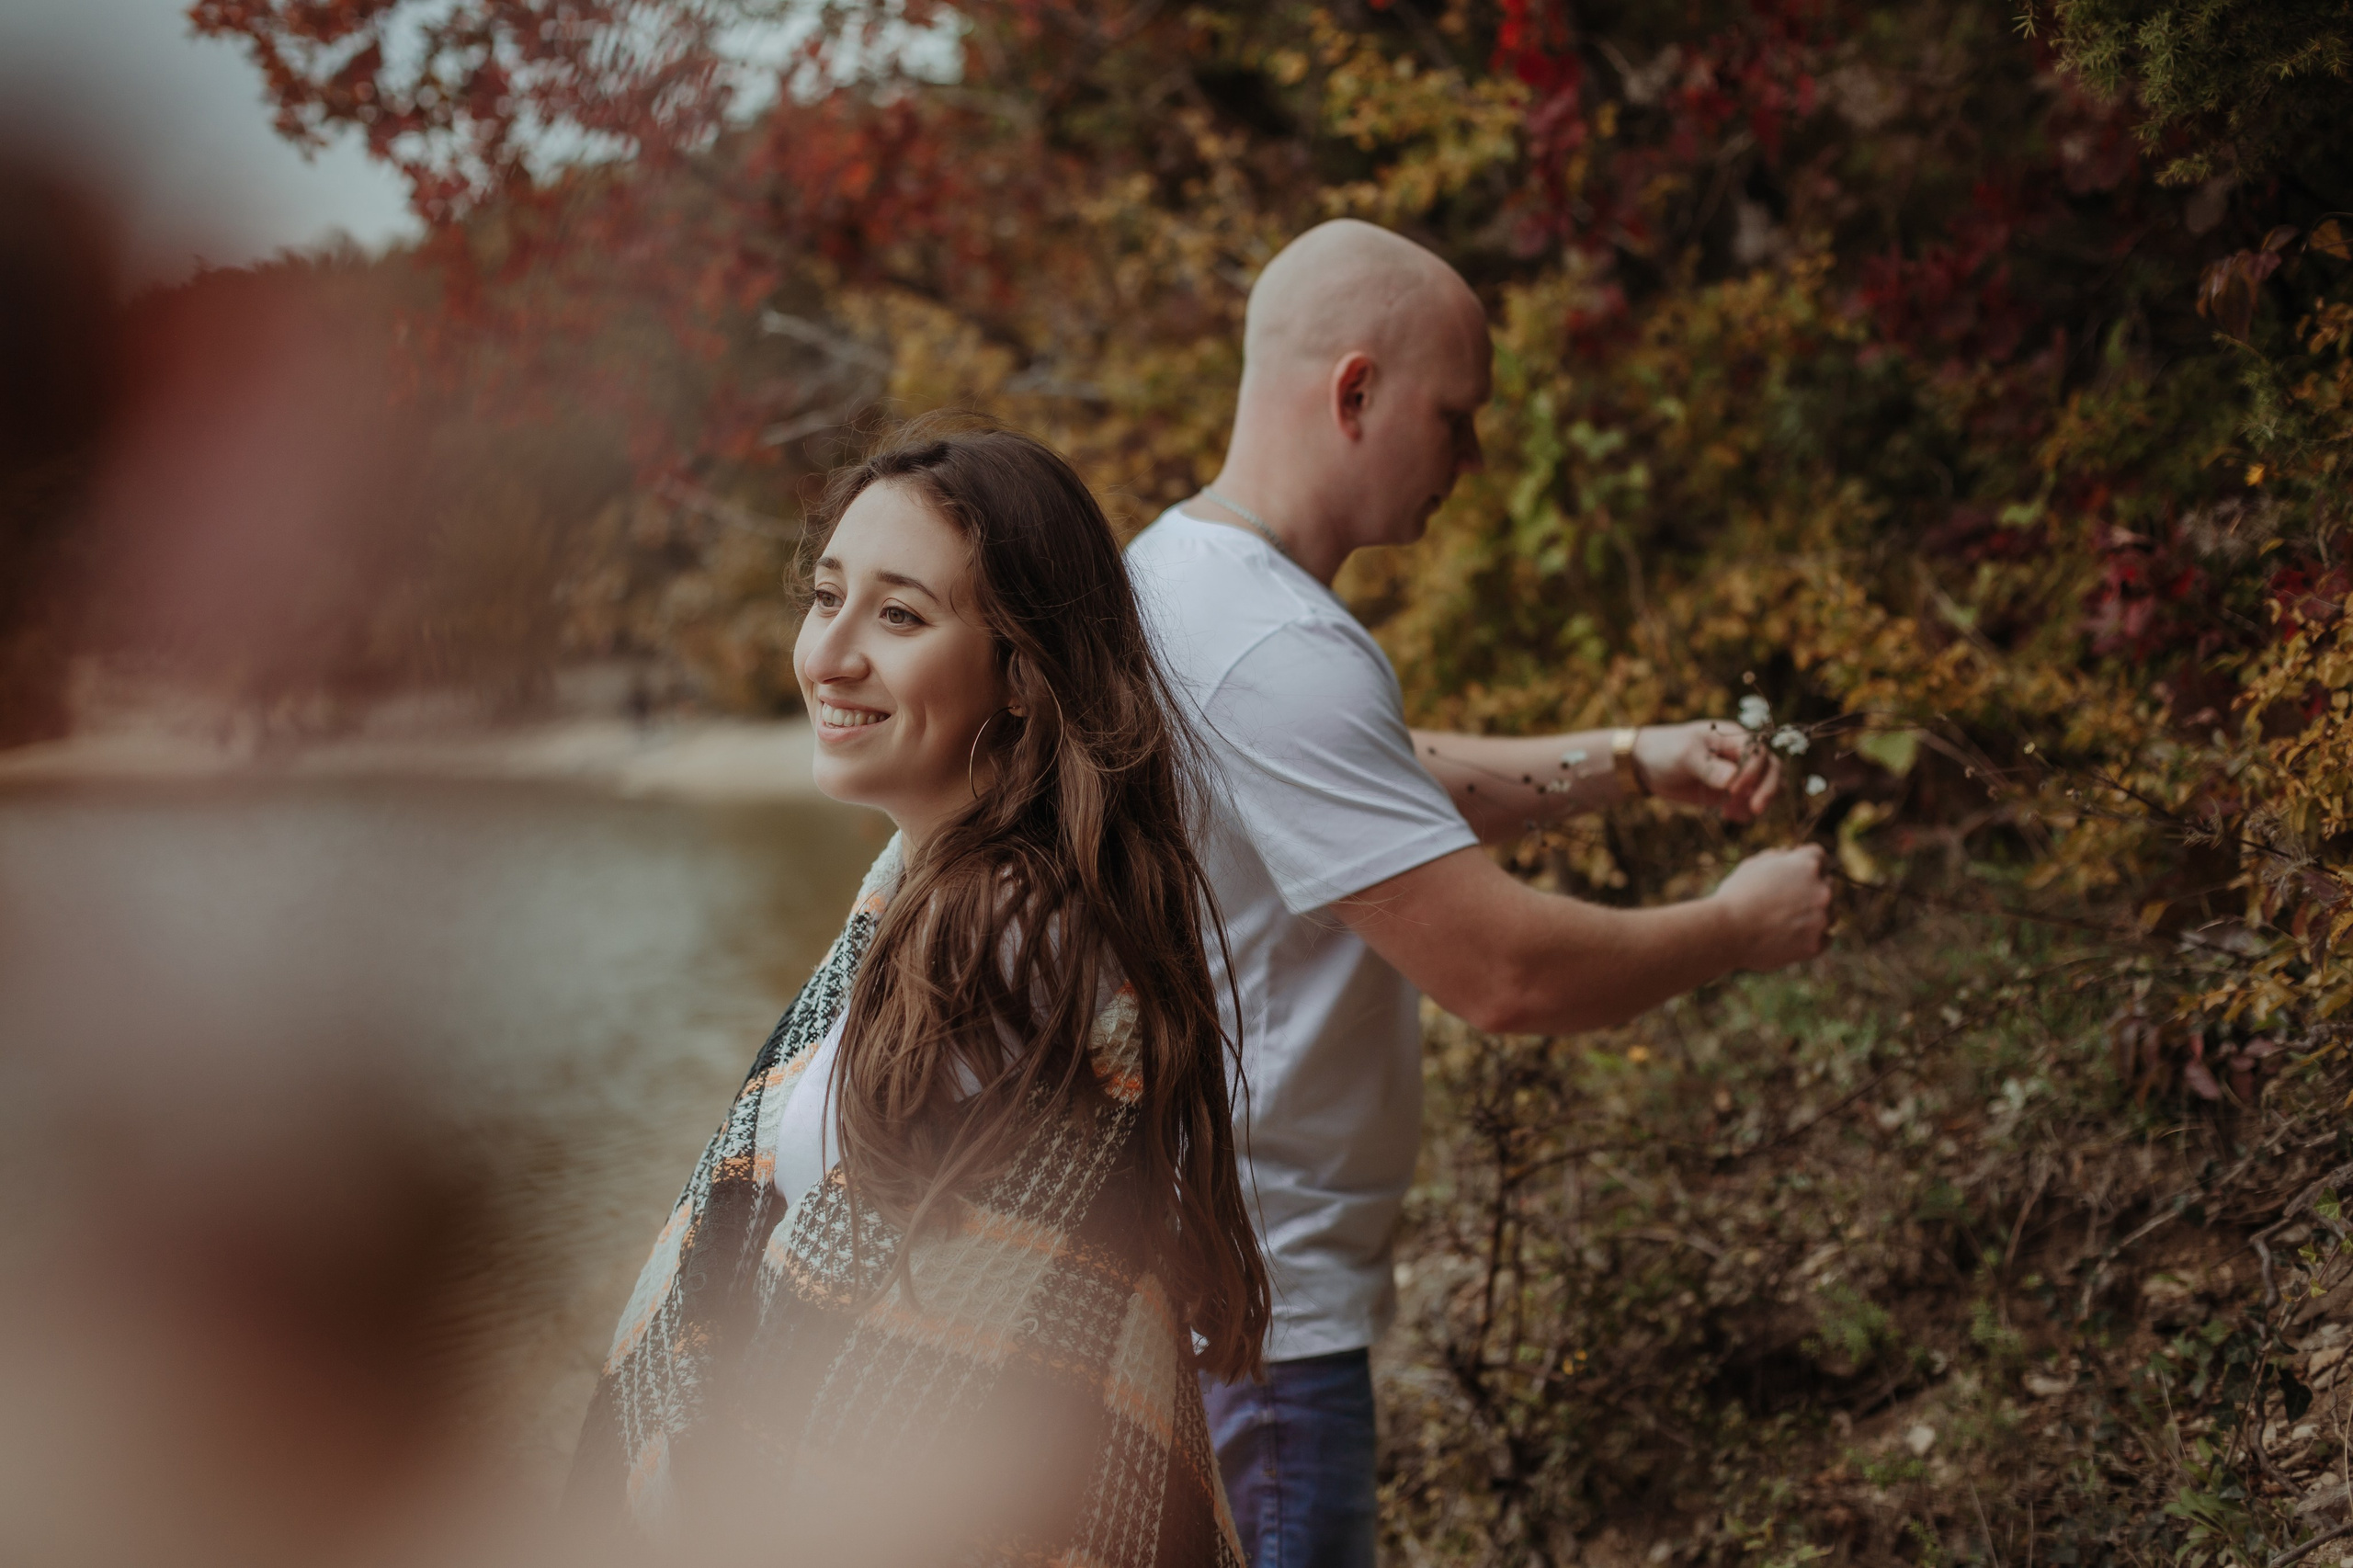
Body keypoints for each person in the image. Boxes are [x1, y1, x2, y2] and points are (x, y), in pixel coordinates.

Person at [1124, 219, 1836, 1568]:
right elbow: (1511, 973)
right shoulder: (1277, 642)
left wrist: (1630, 763)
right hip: (1263, 1321)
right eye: (1458, 416)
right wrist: (1740, 928)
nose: (1475, 456)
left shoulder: (1179, 580)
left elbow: (1368, 790)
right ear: (1354, 393)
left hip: (1197, 1286)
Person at [566, 417, 1270, 1567]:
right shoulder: (929, 898)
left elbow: (920, 1362)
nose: (827, 654)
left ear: (1022, 677)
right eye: (826, 595)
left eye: (898, 615)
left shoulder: (1002, 944)